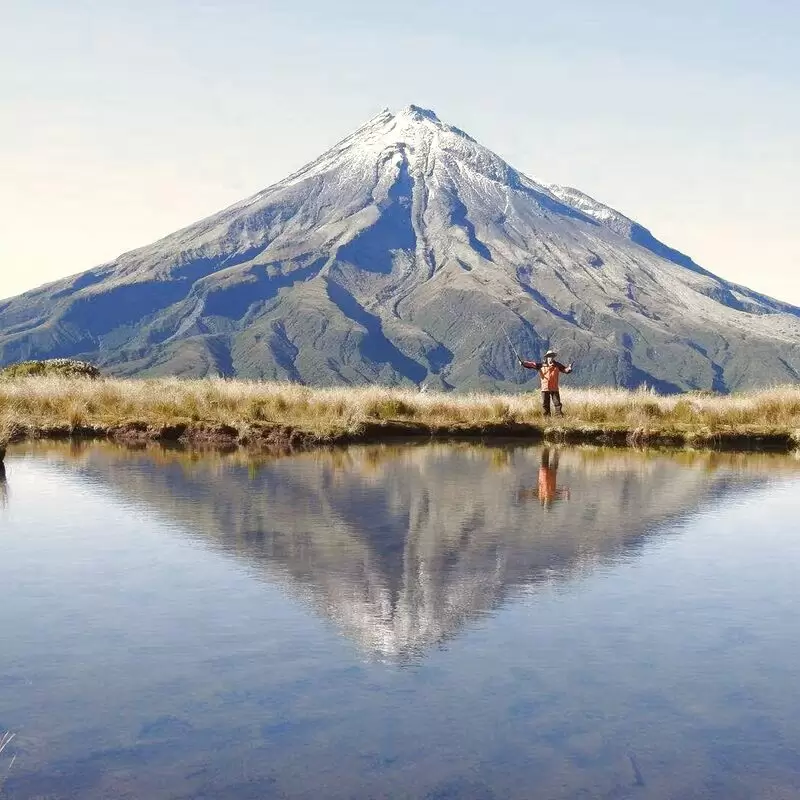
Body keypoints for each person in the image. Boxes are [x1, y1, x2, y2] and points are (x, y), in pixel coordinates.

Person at [519, 350, 574, 417]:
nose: (551, 357)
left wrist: (569, 369)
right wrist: (523, 363)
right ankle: (547, 417)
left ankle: (559, 416)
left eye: (552, 356)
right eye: (549, 356)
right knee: (545, 404)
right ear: (547, 357)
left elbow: (565, 370)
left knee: (557, 403)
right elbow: (532, 364)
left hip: (554, 388)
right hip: (545, 388)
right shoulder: (541, 365)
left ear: (553, 357)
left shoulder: (557, 365)